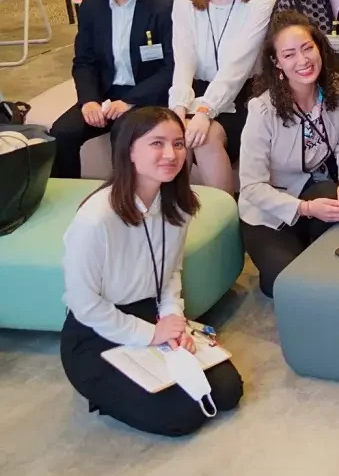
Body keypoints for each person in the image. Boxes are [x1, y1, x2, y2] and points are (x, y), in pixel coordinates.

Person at [61, 107, 243, 436]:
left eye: (178, 143)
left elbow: (171, 272)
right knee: (180, 417)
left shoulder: (177, 203)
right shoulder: (95, 220)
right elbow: (83, 303)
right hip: (95, 330)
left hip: (151, 313)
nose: (170, 154)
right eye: (156, 143)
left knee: (227, 391)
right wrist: (149, 335)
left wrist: (173, 320)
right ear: (129, 150)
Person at [237, 12, 339, 297]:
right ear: (276, 62)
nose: (303, 60)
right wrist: (306, 209)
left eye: (307, 48)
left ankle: (312, 249)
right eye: (289, 54)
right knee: (287, 284)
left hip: (312, 188)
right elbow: (252, 187)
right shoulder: (262, 110)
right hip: (268, 210)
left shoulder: (336, 89)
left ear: (320, 47)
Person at [52, 0, 172, 180]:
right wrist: (89, 101)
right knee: (62, 132)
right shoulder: (92, 5)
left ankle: (125, 204)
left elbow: (172, 68)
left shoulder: (162, 7)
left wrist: (130, 101)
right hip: (104, 94)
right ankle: (67, 200)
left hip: (143, 95)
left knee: (123, 132)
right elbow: (84, 61)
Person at [167, 0, 276, 190]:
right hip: (197, 90)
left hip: (244, 93)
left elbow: (237, 68)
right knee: (172, 134)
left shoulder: (261, 0)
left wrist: (205, 112)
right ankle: (171, 216)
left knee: (204, 138)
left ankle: (226, 218)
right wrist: (178, 108)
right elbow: (184, 60)